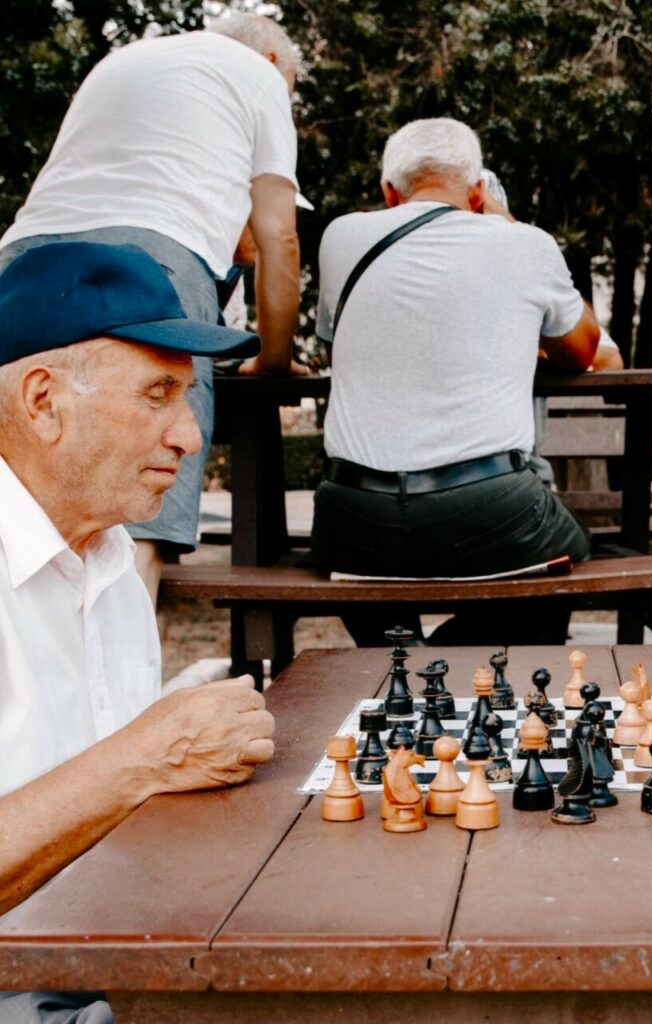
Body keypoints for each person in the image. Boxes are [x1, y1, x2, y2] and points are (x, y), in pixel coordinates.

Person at [0, 242, 277, 1023]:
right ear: (44, 401)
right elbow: (129, 770)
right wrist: (147, 757)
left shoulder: (111, 557)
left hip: (111, 967)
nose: (191, 438)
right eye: (159, 393)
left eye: (187, 398)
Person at [0, 13, 305, 604]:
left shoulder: (128, 61)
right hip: (152, 257)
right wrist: (273, 359)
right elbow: (278, 237)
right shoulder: (258, 75)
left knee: (20, 493)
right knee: (142, 492)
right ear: (274, 65)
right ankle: (131, 691)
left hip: (23, 257)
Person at [313, 117, 600, 646]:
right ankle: (439, 662)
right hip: (489, 507)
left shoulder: (340, 237)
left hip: (352, 518)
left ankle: (396, 652)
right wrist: (507, 221)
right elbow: (582, 350)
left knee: (362, 554)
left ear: (387, 192)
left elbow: (337, 343)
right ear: (477, 193)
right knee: (569, 557)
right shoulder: (523, 243)